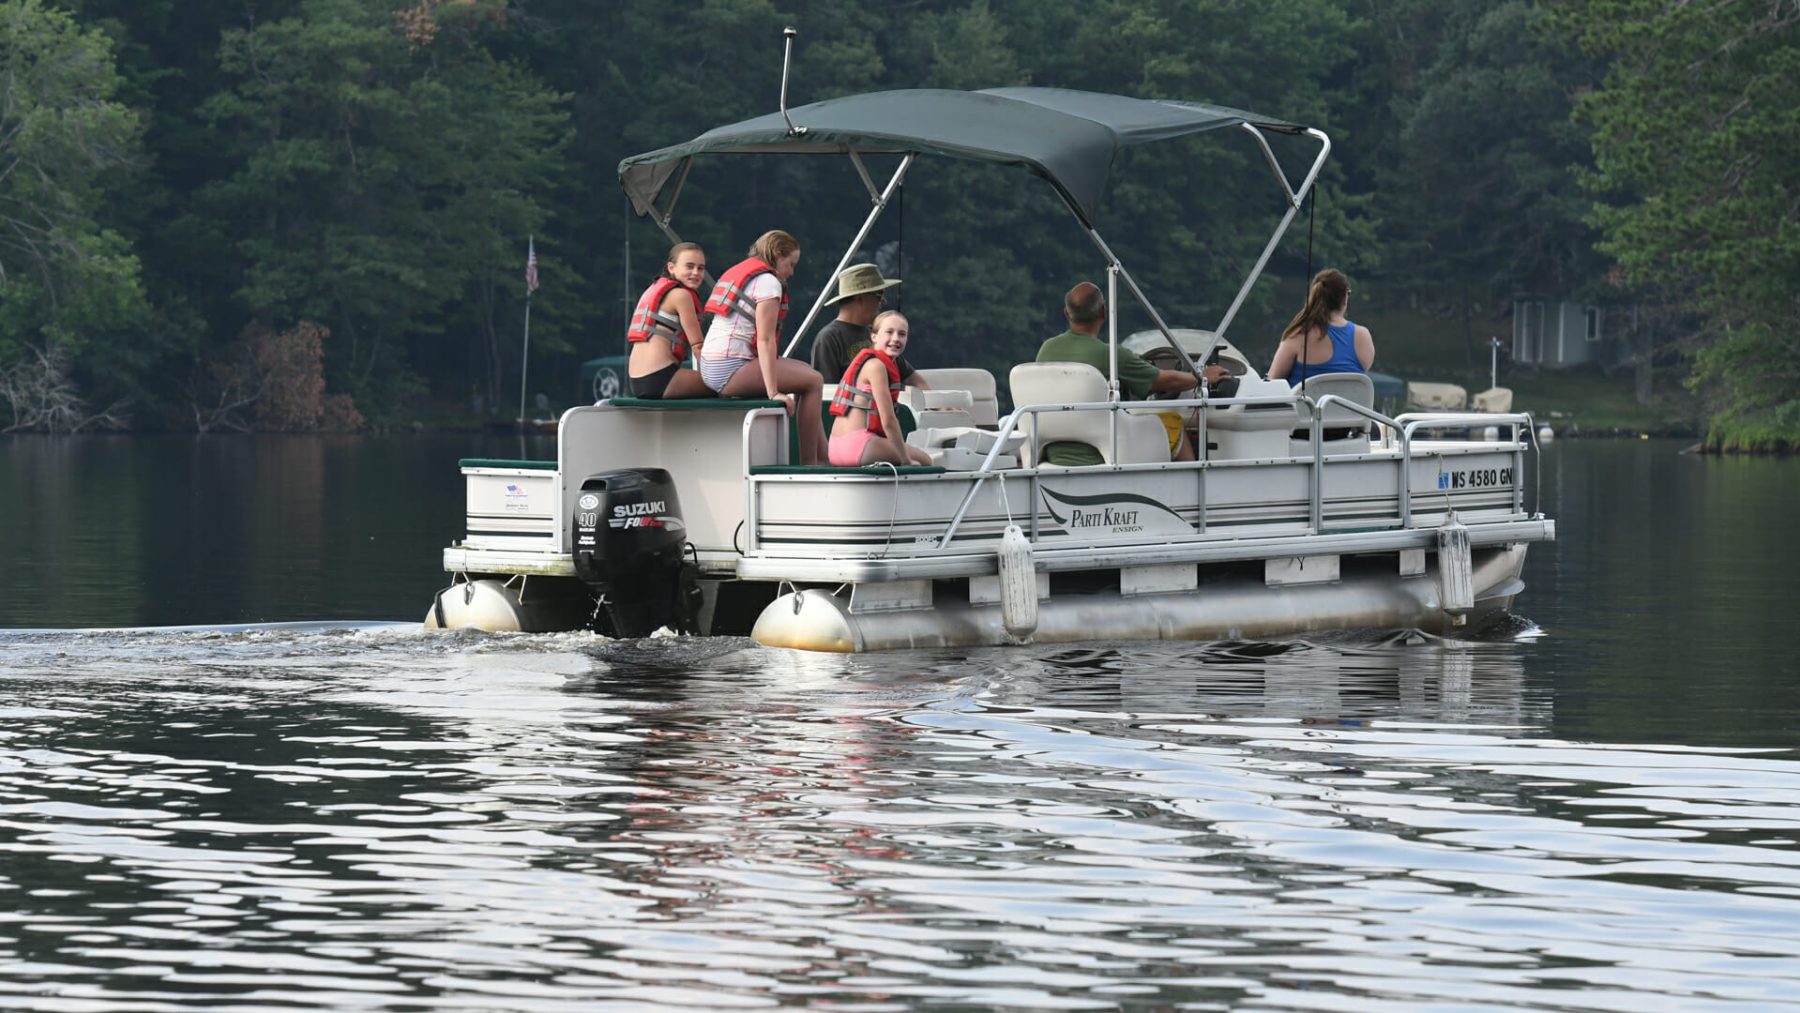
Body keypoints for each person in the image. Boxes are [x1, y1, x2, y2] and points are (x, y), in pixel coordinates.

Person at [1034, 282, 1223, 465]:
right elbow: (1165, 380)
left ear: (1066, 313)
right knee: (1173, 423)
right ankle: (1189, 491)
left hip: (1053, 449)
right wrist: (1201, 377)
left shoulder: (1046, 349)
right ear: (1103, 312)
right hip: (1100, 449)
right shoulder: (1112, 355)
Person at [699, 229, 828, 464]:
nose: (791, 272)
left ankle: (824, 458)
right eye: (790, 264)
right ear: (778, 254)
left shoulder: (744, 272)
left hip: (711, 366)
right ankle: (811, 464)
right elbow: (765, 340)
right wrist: (774, 392)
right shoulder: (768, 282)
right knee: (814, 381)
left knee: (806, 371)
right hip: (729, 369)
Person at [828, 310, 933, 467]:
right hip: (857, 446)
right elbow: (889, 421)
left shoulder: (879, 363)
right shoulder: (876, 366)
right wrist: (905, 460)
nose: (896, 339)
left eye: (902, 334)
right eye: (889, 332)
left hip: (835, 448)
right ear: (874, 336)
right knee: (925, 460)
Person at [809, 263, 929, 390]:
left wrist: (940, 406)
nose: (884, 301)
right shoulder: (828, 338)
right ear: (860, 298)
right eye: (879, 295)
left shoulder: (878, 335)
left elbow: (913, 379)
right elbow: (826, 393)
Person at [625, 242, 713, 399]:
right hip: (661, 378)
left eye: (700, 268)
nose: (696, 272)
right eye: (689, 266)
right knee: (727, 386)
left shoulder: (653, 288)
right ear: (671, 268)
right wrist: (720, 374)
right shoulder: (681, 295)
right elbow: (698, 346)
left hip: (637, 381)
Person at [1267, 268, 1375, 385]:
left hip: (1302, 404)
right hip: (1347, 404)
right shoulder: (1363, 336)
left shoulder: (1299, 335)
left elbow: (1272, 382)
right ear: (1345, 298)